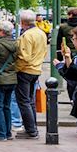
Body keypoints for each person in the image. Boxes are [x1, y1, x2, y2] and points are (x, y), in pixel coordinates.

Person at [13, 10, 47, 140]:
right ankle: (32, 128)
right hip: (36, 70)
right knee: (30, 101)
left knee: (23, 101)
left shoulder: (26, 36)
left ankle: (31, 130)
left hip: (25, 71)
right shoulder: (41, 33)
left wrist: (16, 69)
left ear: (22, 22)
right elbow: (44, 52)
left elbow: (24, 57)